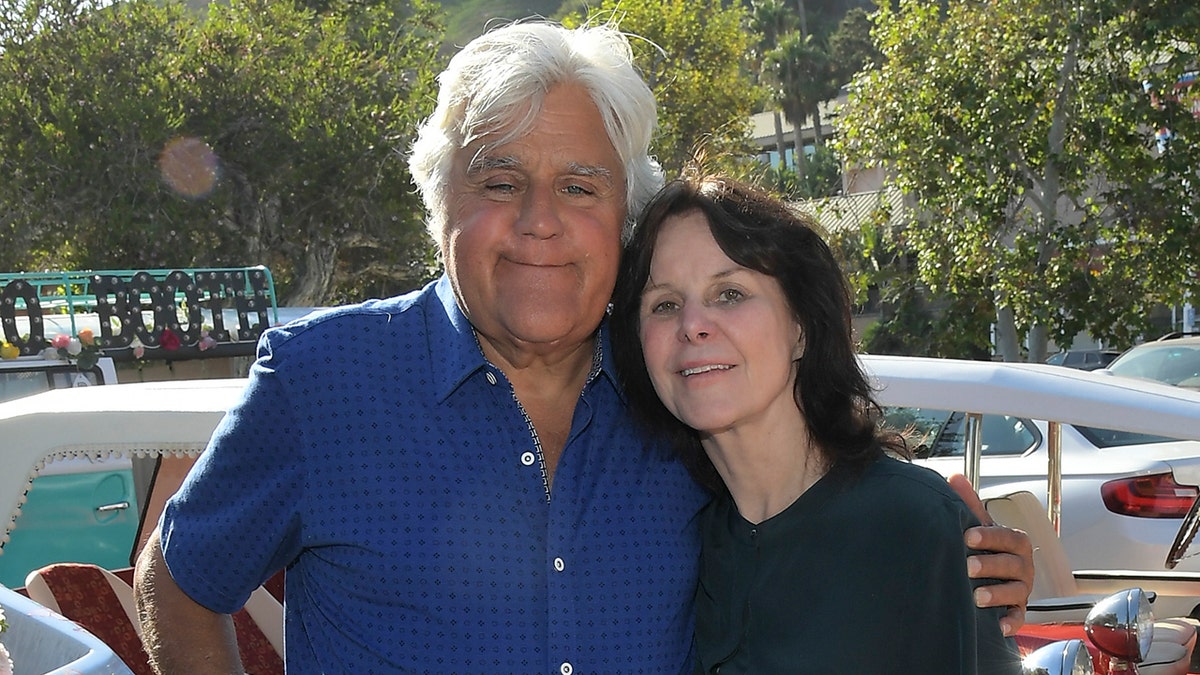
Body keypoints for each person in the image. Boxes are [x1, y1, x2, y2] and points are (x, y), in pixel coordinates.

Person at [133, 21, 1033, 674]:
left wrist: (953, 557)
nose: (540, 223)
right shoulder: (322, 382)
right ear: (439, 203)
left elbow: (809, 512)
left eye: (578, 186)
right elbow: (178, 578)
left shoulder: (673, 386)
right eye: (500, 181)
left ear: (621, 216)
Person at [608, 174, 1023, 673]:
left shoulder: (914, 526)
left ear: (801, 326)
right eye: (665, 304)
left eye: (730, 293)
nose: (692, 324)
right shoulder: (684, 540)